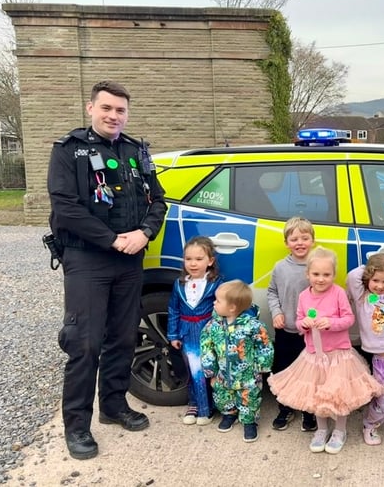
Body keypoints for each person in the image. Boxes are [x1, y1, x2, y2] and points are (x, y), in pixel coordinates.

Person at [47, 80, 167, 460]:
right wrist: (113, 239)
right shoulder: (69, 151)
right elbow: (65, 207)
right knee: (84, 342)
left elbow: (158, 202)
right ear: (91, 108)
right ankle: (78, 427)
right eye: (107, 109)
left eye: (120, 110)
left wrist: (144, 233)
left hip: (130, 258)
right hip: (87, 259)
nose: (114, 116)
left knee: (122, 337)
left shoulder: (135, 151)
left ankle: (113, 406)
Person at [268, 246, 384, 455]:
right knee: (317, 395)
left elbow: (349, 319)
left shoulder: (339, 293)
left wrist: (330, 323)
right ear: (308, 274)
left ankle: (340, 431)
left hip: (338, 355)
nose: (321, 279)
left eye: (326, 274)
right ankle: (321, 430)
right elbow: (298, 320)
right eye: (316, 274)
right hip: (314, 356)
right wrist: (304, 323)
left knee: (339, 395)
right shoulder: (305, 296)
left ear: (333, 274)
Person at [200, 280, 274, 443]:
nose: (214, 303)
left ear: (232, 307)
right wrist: (210, 370)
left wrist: (262, 365)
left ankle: (249, 421)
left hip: (248, 375)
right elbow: (206, 346)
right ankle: (229, 414)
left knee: (249, 398)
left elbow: (264, 344)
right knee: (222, 396)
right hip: (222, 374)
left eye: (218, 300)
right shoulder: (213, 326)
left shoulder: (252, 326)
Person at [346, 253, 384, 448]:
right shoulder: (362, 296)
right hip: (381, 360)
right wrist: (371, 268)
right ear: (368, 278)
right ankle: (370, 425)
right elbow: (353, 275)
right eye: (375, 280)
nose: (380, 285)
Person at [267, 216, 317, 433]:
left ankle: (308, 409)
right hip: (286, 330)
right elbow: (272, 292)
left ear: (312, 240)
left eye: (305, 238)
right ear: (286, 243)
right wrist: (276, 312)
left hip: (309, 334)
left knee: (309, 372)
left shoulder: (317, 267)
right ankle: (285, 407)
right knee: (284, 369)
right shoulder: (280, 267)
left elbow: (323, 295)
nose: (299, 243)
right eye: (294, 239)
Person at [167, 236, 223, 426]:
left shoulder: (216, 283)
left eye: (199, 259)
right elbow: (174, 309)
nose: (193, 263)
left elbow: (222, 307)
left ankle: (207, 406)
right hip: (186, 332)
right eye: (188, 259)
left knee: (207, 369)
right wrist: (173, 334)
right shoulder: (179, 284)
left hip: (206, 331)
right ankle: (194, 403)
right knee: (192, 370)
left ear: (210, 261)